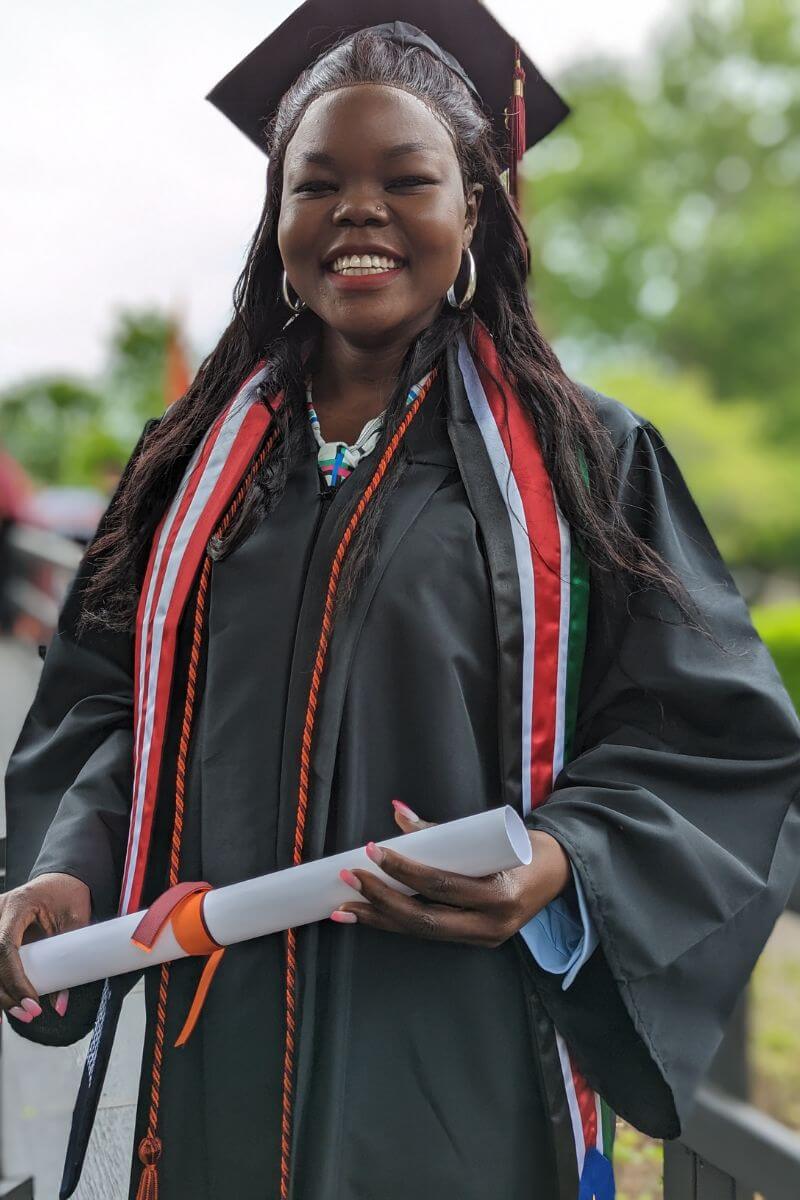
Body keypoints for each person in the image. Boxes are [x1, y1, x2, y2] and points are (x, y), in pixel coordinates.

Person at [3, 4, 800, 1199]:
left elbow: (710, 737)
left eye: (405, 177)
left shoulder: (583, 464)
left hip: (450, 1055)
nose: (357, 211)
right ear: (276, 221)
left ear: (473, 208)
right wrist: (74, 858)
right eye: (315, 184)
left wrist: (560, 861)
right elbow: (111, 707)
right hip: (206, 1045)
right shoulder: (189, 471)